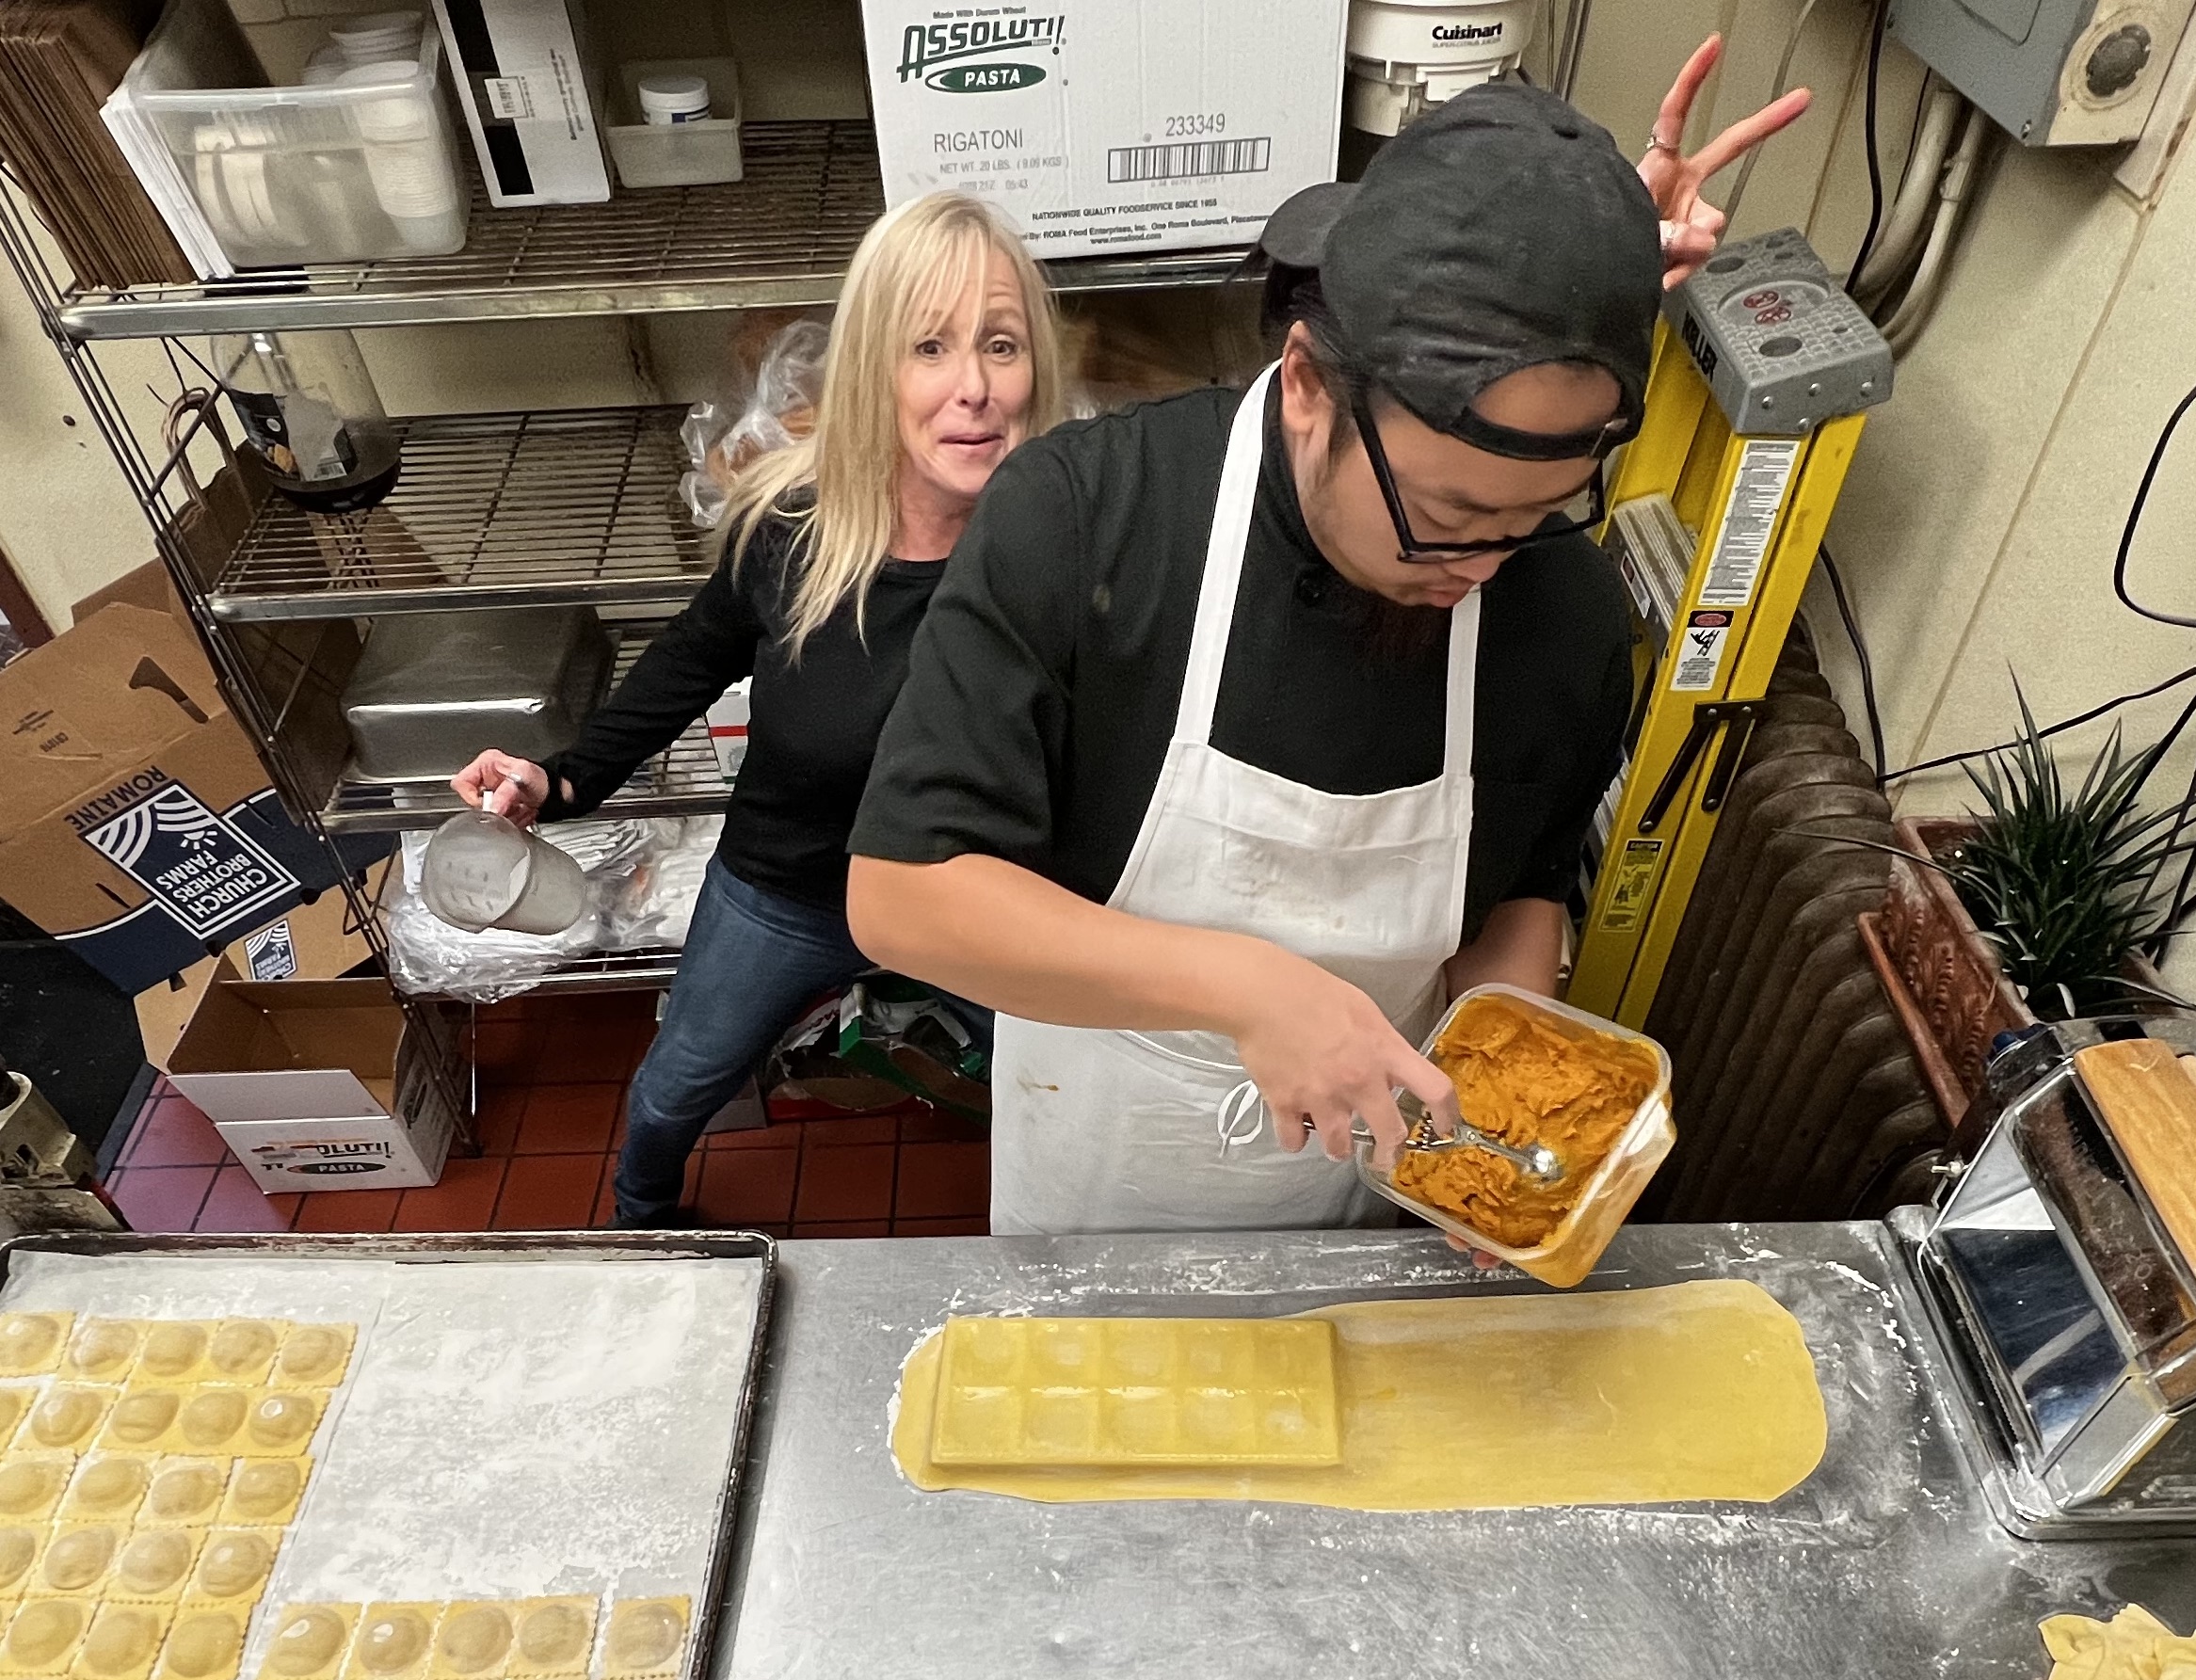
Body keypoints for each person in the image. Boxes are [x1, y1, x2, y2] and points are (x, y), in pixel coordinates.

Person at [844, 56, 1803, 1237]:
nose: (1480, 569)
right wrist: (1247, 989)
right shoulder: (1090, 517)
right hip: (1091, 1183)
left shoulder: (1558, 615)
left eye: (1529, 520)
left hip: (1357, 1198)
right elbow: (905, 897)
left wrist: (1494, 1133)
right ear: (1306, 383)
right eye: (1444, 520)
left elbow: (1513, 895)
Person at [449, 192, 1066, 1226]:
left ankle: (1056, 1221)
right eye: (929, 346)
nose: (974, 388)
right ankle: (641, 1210)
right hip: (790, 890)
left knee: (1062, 1081)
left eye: (1000, 345)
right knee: (680, 1079)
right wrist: (563, 776)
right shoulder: (791, 524)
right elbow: (693, 653)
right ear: (875, 364)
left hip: (981, 897)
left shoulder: (1065, 547)